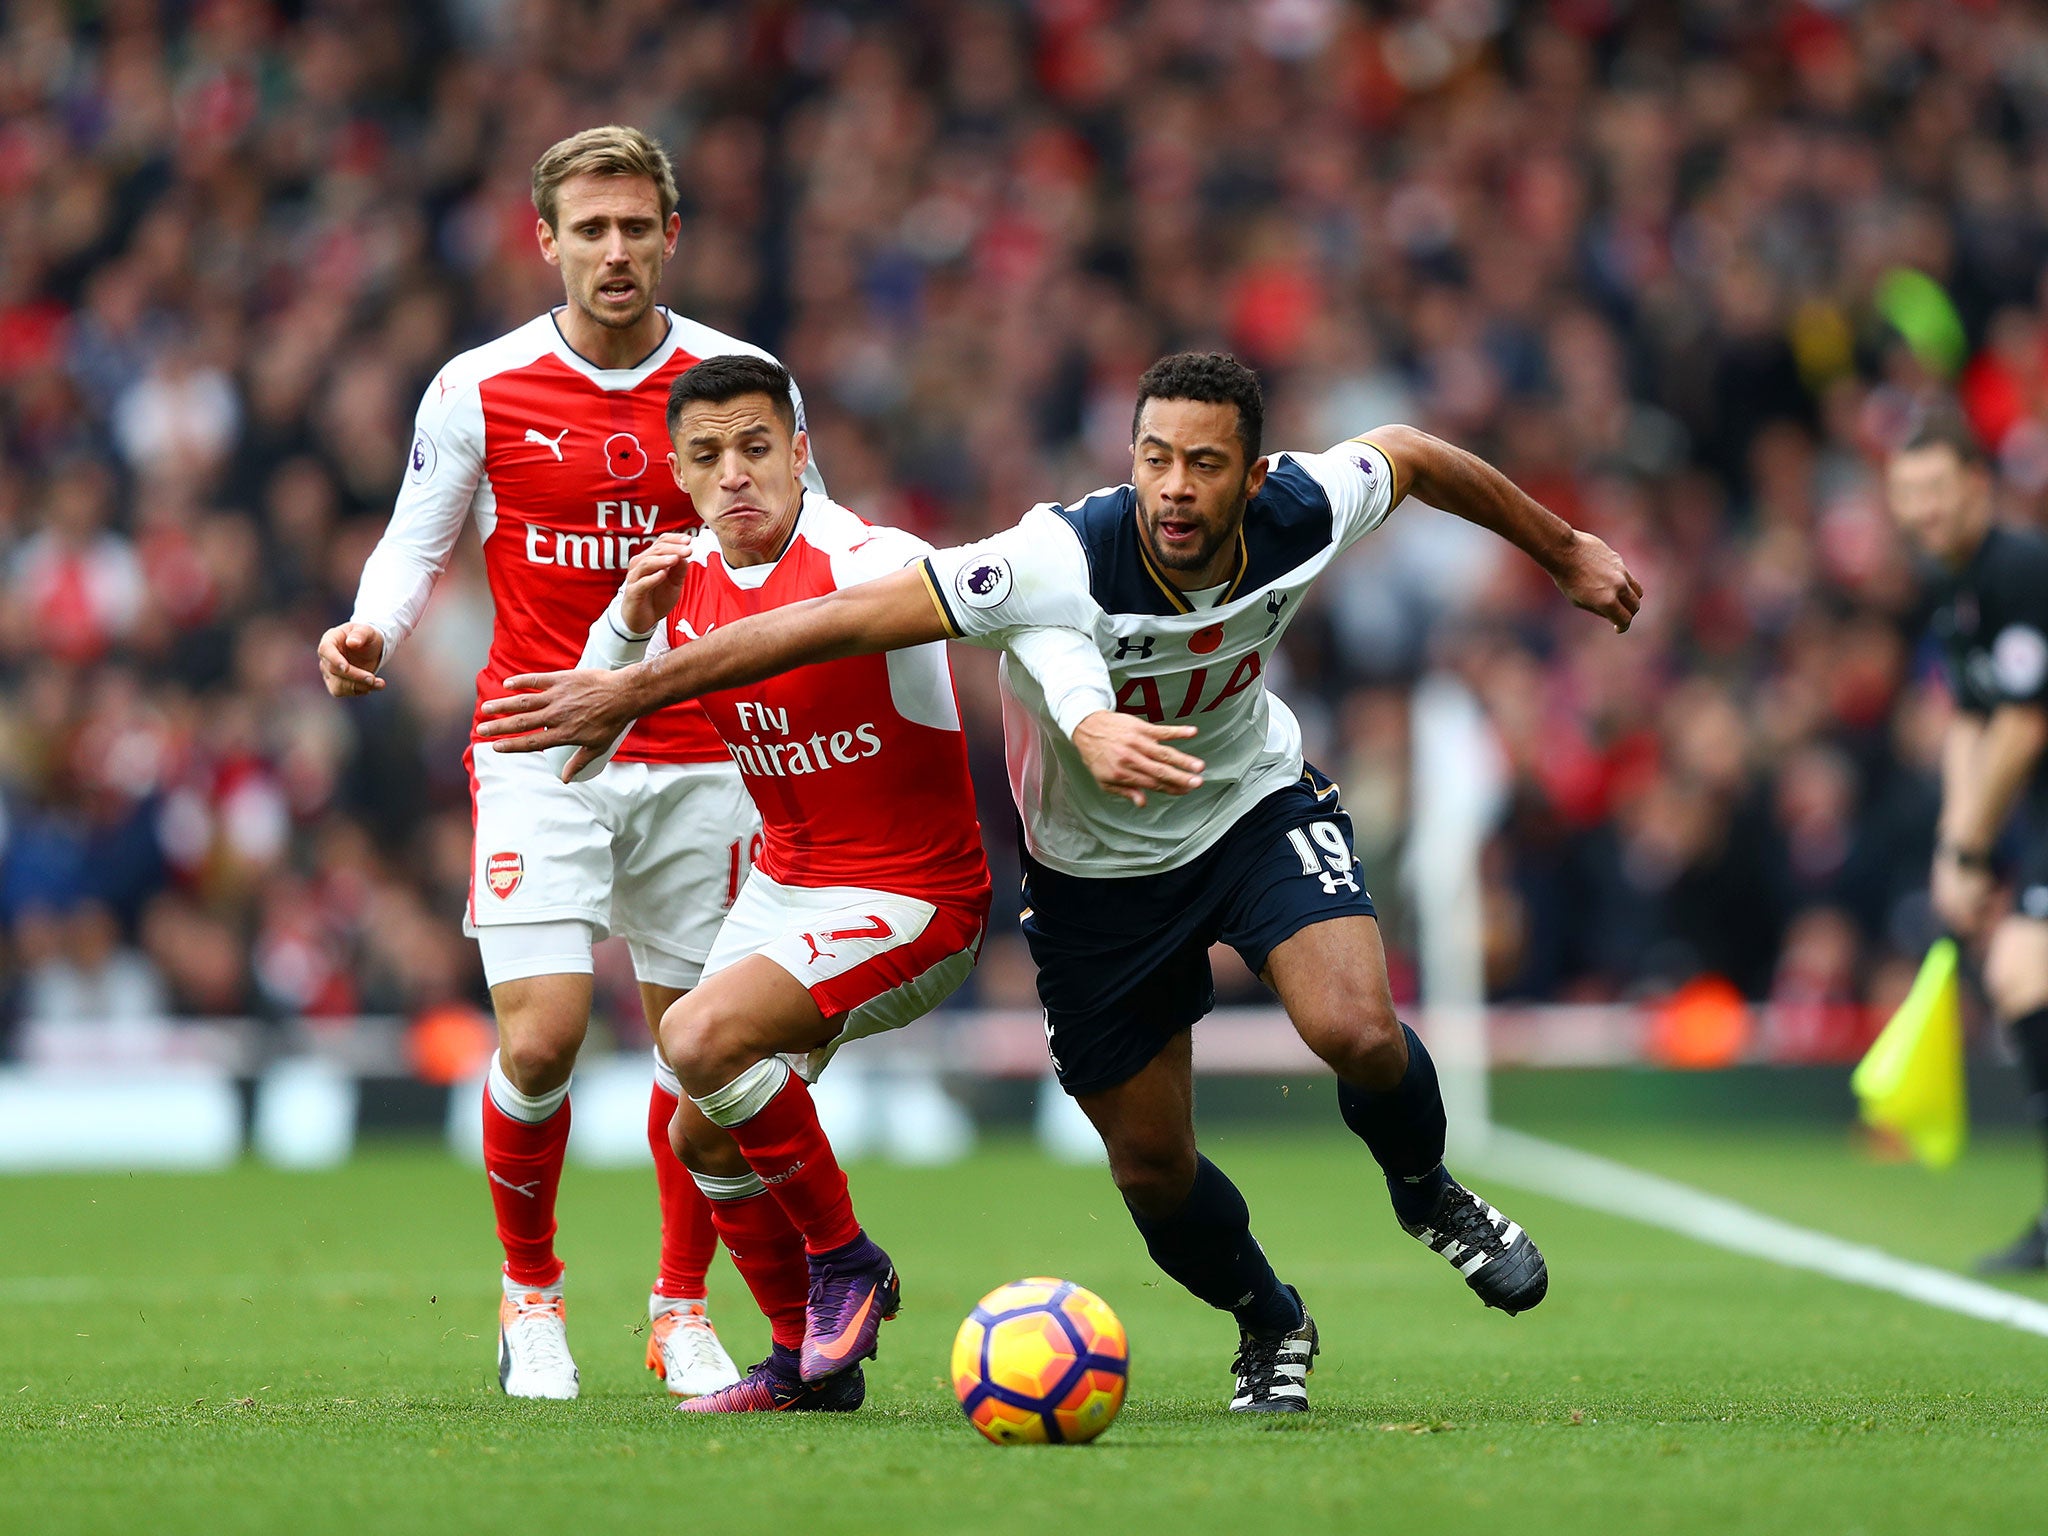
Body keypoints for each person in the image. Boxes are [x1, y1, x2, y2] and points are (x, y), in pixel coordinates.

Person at [478, 351, 1642, 1413]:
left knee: (1355, 1028)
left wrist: (1565, 550)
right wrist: (627, 667)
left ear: (1253, 474)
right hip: (1089, 878)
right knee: (1151, 1169)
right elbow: (952, 624)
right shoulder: (1054, 552)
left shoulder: (1304, 508)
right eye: (1152, 460)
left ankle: (1424, 1187)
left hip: (1245, 806)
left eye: (1201, 464)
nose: (1173, 488)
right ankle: (1266, 1319)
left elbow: (1417, 452)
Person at [316, 126, 822, 1400]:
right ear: (543, 240)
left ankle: (674, 1311)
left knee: (701, 1054)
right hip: (540, 745)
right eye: (587, 228)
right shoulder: (478, 386)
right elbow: (414, 543)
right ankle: (529, 1297)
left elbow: (801, 549)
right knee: (540, 1043)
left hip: (707, 751)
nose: (613, 250)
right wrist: (372, 626)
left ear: (669, 235)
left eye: (634, 226)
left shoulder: (732, 378)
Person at [538, 353, 1143, 1412]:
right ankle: (801, 1369)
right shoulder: (679, 589)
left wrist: (1085, 715)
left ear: (801, 451)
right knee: (696, 1132)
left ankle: (845, 1257)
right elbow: (577, 752)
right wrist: (629, 626)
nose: (735, 475)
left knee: (694, 1040)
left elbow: (1030, 621)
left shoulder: (874, 560)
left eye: (757, 448)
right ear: (679, 477)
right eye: (708, 457)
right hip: (787, 886)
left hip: (916, 897)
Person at [1888, 416, 2048, 1273]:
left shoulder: (2020, 567)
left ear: (1979, 487)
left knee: (2023, 967)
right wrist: (1956, 842)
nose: (1923, 510)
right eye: (1907, 494)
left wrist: (1971, 850)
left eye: (1937, 490)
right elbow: (1969, 719)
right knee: (2022, 970)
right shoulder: (1954, 586)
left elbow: (2023, 727)